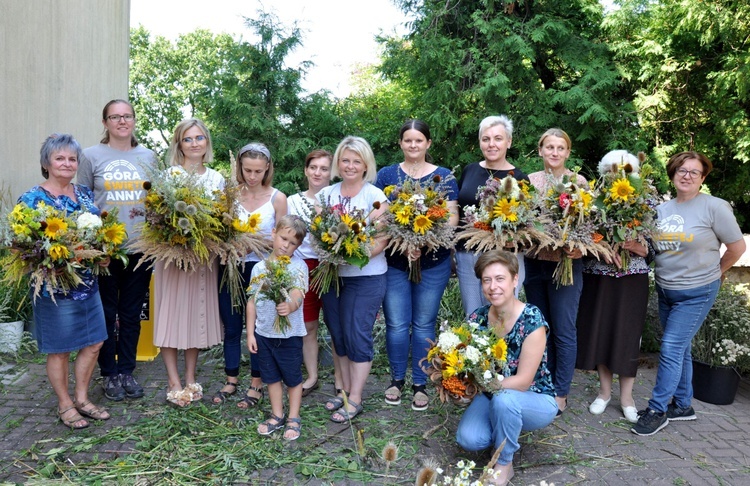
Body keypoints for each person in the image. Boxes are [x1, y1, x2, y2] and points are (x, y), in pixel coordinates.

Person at [632, 151, 745, 436]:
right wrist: (637, 249)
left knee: (670, 347)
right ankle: (682, 405)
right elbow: (658, 250)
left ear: (703, 178)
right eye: (682, 170)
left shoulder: (714, 207)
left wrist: (717, 272)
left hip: (697, 292)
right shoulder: (662, 209)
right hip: (667, 289)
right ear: (672, 173)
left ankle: (658, 409)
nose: (687, 175)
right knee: (679, 348)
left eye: (694, 172)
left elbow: (737, 248)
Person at [20, 134, 110, 429]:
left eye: (72, 159)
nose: (67, 163)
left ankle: (82, 398)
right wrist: (52, 262)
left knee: (95, 342)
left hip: (87, 284)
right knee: (59, 348)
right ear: (46, 163)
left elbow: (97, 234)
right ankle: (65, 404)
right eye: (60, 158)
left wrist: (103, 254)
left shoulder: (84, 194)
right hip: (54, 286)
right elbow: (22, 246)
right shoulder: (32, 199)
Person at [375, 119, 459, 411]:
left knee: (423, 323)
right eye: (408, 140)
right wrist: (403, 238)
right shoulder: (387, 174)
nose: (413, 145)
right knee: (397, 323)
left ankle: (421, 382)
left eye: (419, 140)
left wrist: (425, 240)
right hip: (396, 262)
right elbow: (381, 216)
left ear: (428, 144)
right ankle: (397, 379)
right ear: (400, 143)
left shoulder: (444, 176)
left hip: (433, 261)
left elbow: (450, 218)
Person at [78, 99, 157, 402]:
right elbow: (84, 200)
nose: (122, 121)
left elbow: (157, 203)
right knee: (106, 313)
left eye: (127, 116)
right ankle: (108, 373)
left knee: (132, 313)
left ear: (134, 121)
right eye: (115, 117)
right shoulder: (90, 156)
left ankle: (126, 370)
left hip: (140, 249)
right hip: (104, 251)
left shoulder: (148, 156)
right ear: (106, 122)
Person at [456, 250, 557, 486]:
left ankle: (504, 463)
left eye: (500, 279)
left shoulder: (531, 318)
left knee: (504, 401)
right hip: (494, 393)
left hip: (534, 397)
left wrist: (479, 386)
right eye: (486, 280)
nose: (493, 287)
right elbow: (467, 366)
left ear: (515, 280)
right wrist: (459, 385)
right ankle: (506, 427)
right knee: (468, 439)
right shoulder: (477, 319)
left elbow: (522, 382)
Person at [576, 150, 652, 423]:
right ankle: (604, 393)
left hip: (632, 278)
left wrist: (637, 247)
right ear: (605, 173)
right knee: (602, 332)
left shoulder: (645, 201)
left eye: (623, 170)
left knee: (628, 335)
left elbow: (656, 246)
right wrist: (600, 248)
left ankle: (627, 398)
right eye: (611, 170)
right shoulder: (595, 202)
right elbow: (583, 238)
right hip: (599, 276)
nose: (617, 175)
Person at [153, 118, 225, 407]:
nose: (194, 143)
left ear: (206, 142)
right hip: (172, 256)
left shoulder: (217, 178)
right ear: (178, 144)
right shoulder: (169, 176)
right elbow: (156, 218)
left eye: (199, 138)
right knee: (170, 316)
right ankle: (173, 381)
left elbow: (222, 218)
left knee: (196, 316)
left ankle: (191, 376)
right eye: (187, 139)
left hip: (203, 257)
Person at [318, 136, 389, 422]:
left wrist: (349, 256)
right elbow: (319, 233)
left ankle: (356, 397)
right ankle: (344, 390)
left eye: (356, 161)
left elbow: (382, 241)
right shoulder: (328, 195)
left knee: (357, 334)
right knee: (338, 334)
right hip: (332, 277)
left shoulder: (376, 197)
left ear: (365, 165)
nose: (350, 165)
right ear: (338, 163)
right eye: (345, 160)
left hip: (366, 277)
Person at [218, 143, 288, 409]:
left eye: (258, 171)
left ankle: (257, 381)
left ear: (267, 168)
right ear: (239, 166)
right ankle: (231, 377)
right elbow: (218, 232)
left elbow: (284, 240)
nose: (252, 176)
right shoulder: (230, 195)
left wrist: (254, 242)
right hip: (230, 268)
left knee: (258, 328)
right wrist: (228, 245)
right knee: (232, 326)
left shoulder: (277, 198)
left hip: (261, 271)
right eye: (247, 170)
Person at [524, 128, 586, 415]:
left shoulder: (578, 182)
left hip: (566, 265)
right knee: (540, 328)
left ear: (568, 152)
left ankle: (561, 391)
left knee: (563, 328)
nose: (555, 152)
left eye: (560, 148)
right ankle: (543, 381)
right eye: (549, 147)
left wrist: (580, 247)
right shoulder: (530, 181)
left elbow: (590, 226)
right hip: (535, 262)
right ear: (541, 151)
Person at [456, 115, 529, 316]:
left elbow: (528, 223)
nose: (491, 144)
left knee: (502, 316)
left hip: (505, 256)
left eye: (498, 138)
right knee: (474, 315)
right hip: (468, 254)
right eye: (486, 139)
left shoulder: (520, 178)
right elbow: (458, 211)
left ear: (509, 141)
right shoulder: (470, 170)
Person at [247, 215, 309, 441]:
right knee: (271, 377)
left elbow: (297, 293)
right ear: (273, 233)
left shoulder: (298, 266)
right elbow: (251, 301)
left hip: (289, 334)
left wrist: (290, 306)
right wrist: (251, 333)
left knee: (292, 377)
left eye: (293, 243)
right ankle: (277, 414)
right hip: (264, 334)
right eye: (283, 238)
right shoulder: (259, 267)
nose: (286, 245)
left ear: (298, 246)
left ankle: (294, 417)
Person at [287, 149, 333, 397]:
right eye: (313, 167)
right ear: (306, 170)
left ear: (331, 172)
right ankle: (312, 376)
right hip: (304, 267)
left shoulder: (337, 198)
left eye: (324, 168)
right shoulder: (293, 201)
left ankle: (341, 378)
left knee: (338, 326)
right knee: (309, 325)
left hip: (333, 266)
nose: (318, 173)